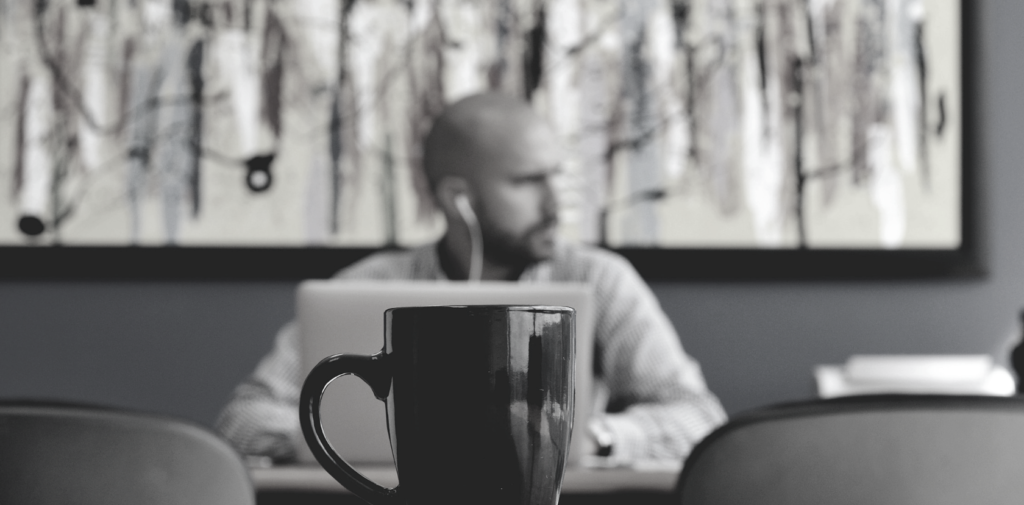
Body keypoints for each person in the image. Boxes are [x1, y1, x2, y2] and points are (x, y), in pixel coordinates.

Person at [215, 92, 726, 465]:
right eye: (528, 182)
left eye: (556, 177)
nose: (556, 203)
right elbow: (245, 418)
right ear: (457, 197)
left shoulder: (600, 279)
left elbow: (698, 419)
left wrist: (591, 438)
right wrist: (328, 442)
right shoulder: (368, 284)